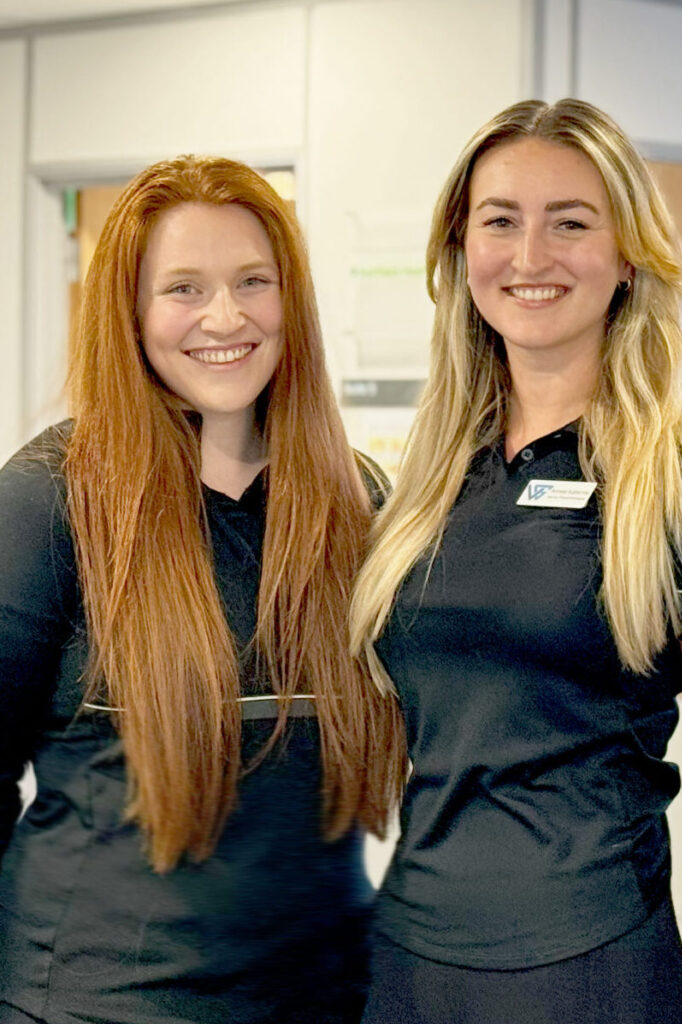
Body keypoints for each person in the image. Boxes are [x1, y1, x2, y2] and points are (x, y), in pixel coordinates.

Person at [350, 98, 682, 1024]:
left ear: (627, 256)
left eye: (570, 223)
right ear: (461, 250)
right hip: (407, 962)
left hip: (592, 969)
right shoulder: (427, 483)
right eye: (500, 221)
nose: (529, 257)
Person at [0, 155, 406, 1024]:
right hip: (99, 1002)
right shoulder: (51, 499)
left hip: (328, 997)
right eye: (183, 288)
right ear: (131, 312)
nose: (225, 316)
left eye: (253, 281)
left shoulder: (355, 500)